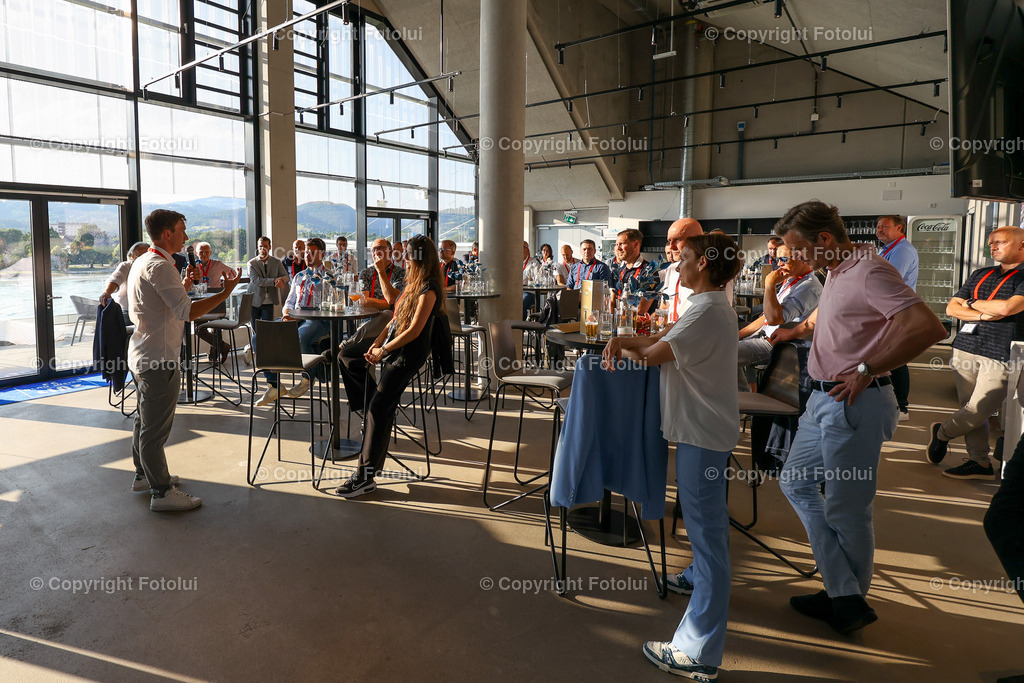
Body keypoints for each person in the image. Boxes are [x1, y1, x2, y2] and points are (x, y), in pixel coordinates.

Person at [770, 200, 945, 634]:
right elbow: (829, 323)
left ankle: (847, 601)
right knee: (794, 481)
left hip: (854, 404)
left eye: (800, 250)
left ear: (825, 240)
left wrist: (867, 369)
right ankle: (842, 588)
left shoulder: (870, 271)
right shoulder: (838, 269)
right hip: (822, 401)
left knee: (848, 511)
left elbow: (928, 327)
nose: (796, 259)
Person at [603, 233, 742, 680]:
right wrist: (627, 338)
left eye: (682, 258)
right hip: (705, 430)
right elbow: (662, 336)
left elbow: (653, 354)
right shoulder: (708, 307)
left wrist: (624, 343)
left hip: (702, 434)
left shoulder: (707, 311)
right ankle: (700, 574)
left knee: (707, 533)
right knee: (708, 528)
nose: (676, 265)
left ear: (702, 262)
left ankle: (699, 649)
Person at [128, 209, 241, 511]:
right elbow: (187, 312)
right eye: (181, 230)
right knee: (155, 430)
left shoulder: (144, 261)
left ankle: (144, 475)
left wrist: (185, 286)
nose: (186, 237)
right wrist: (227, 292)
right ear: (167, 234)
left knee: (143, 421)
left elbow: (164, 302)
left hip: (141, 353)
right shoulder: (161, 267)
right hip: (159, 358)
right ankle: (161, 492)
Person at [334, 235, 447, 498]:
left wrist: (384, 349)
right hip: (394, 344)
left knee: (379, 407)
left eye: (408, 254)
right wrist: (377, 342)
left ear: (419, 258)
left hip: (409, 352)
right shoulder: (411, 283)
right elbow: (394, 319)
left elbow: (414, 331)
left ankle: (365, 477)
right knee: (348, 357)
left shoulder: (428, 287)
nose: (403, 258)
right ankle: (375, 407)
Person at [928, 226, 1024, 480]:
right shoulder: (981, 273)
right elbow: (951, 308)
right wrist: (982, 313)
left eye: (1000, 242)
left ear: (1021, 245)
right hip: (966, 346)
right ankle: (978, 461)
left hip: (1002, 352)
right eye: (991, 243)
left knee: (980, 408)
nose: (993, 247)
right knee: (967, 405)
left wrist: (969, 303)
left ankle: (942, 433)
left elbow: (1006, 308)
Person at [254, 238, 335, 405]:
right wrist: (286, 313)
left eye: (312, 253)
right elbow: (290, 301)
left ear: (321, 254)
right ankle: (274, 384)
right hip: (294, 316)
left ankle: (307, 378)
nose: (307, 256)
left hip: (317, 320)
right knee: (258, 337)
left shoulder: (329, 277)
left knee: (300, 337)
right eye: (306, 252)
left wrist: (297, 316)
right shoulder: (299, 276)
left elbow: (329, 306)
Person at [736, 244, 821, 390]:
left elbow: (775, 318)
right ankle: (745, 397)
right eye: (777, 259)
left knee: (726, 353)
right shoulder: (792, 279)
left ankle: (742, 402)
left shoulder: (809, 287)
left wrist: (769, 285)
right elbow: (765, 318)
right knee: (725, 345)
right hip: (765, 335)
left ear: (803, 260)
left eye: (784, 259)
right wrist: (738, 335)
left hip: (780, 344)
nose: (779, 264)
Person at [876, 215, 920, 420]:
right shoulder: (886, 249)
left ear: (900, 228)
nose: (879, 230)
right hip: (886, 310)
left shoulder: (902, 250)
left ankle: (902, 407)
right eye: (878, 227)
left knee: (896, 359)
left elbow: (889, 278)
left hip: (896, 310)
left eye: (884, 226)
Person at [192, 242, 236, 363]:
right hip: (201, 301)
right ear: (196, 253)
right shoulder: (193, 267)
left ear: (210, 253)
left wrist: (225, 283)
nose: (204, 254)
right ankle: (222, 347)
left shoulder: (218, 264)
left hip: (217, 299)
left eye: (207, 252)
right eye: (201, 252)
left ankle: (215, 355)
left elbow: (233, 273)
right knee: (198, 329)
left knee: (216, 327)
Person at [661, 218, 704, 323]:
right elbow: (665, 306)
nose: (671, 247)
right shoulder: (671, 269)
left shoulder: (711, 272)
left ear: (697, 240)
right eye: (669, 241)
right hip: (670, 332)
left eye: (677, 240)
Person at [611, 228, 658, 315]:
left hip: (638, 324)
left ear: (636, 244)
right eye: (616, 244)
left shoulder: (649, 271)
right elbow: (612, 301)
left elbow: (641, 310)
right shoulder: (617, 270)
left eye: (622, 244)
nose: (617, 248)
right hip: (618, 322)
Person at [100, 241, 149, 324]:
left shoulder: (152, 268)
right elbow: (115, 279)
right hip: (127, 311)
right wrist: (107, 292)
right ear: (131, 257)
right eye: (139, 257)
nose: (143, 259)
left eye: (146, 256)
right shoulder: (126, 266)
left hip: (146, 311)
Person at [247, 236, 288, 323]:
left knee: (267, 329)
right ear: (257, 247)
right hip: (254, 300)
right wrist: (274, 281)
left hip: (269, 301)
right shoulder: (251, 263)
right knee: (255, 330)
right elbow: (257, 281)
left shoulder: (276, 262)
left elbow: (286, 276)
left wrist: (281, 280)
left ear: (269, 247)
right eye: (260, 246)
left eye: (265, 246)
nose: (263, 248)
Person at [359, 238, 406, 311]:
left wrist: (380, 270)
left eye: (380, 248)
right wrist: (389, 305)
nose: (377, 253)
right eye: (374, 250)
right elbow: (363, 302)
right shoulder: (365, 273)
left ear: (390, 253)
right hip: (368, 317)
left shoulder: (401, 272)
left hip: (391, 318)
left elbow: (393, 300)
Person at [522, 240, 545, 318]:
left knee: (522, 302)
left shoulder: (534, 262)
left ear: (527, 250)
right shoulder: (514, 262)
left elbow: (536, 279)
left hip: (529, 292)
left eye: (523, 247)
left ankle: (520, 327)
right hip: (516, 291)